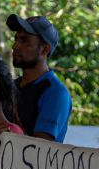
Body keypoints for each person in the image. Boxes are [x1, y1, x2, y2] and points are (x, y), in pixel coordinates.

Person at [6, 14, 72, 142]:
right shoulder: (11, 86)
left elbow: (39, 150)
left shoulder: (55, 93)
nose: (15, 46)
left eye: (24, 40)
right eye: (16, 39)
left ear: (45, 49)